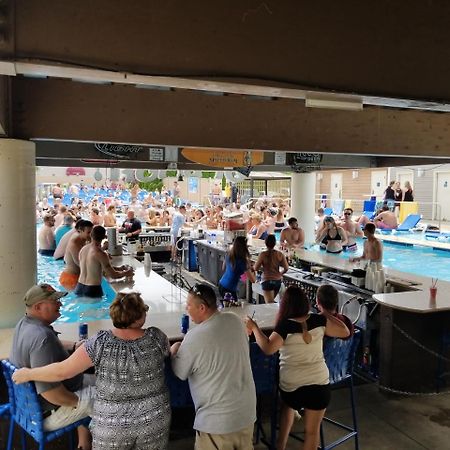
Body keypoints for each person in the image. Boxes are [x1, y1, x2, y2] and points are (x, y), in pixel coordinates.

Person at [13, 291, 171, 450]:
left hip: (112, 428)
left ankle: (84, 442)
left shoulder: (100, 343)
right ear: (140, 317)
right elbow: (168, 355)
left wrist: (28, 373)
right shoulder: (157, 337)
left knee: (91, 388)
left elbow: (63, 371)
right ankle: (83, 441)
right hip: (155, 420)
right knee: (88, 386)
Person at [245, 285, 349, 450]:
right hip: (320, 386)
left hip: (292, 389)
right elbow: (345, 331)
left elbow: (267, 348)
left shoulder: (285, 326)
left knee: (288, 404)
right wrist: (325, 313)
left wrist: (254, 328)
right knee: (312, 433)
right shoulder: (319, 320)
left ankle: (280, 445)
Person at [10, 283, 95, 450]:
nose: (60, 304)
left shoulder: (25, 324)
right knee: (112, 396)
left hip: (26, 407)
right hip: (49, 411)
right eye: (55, 301)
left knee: (96, 381)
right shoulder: (42, 338)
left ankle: (83, 443)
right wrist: (81, 402)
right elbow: (52, 394)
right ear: (39, 306)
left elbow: (47, 345)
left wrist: (74, 345)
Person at [170, 284, 256, 450]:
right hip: (246, 414)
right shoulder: (235, 321)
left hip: (216, 423)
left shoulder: (194, 337)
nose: (186, 308)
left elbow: (180, 372)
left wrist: (174, 350)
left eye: (189, 305)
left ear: (202, 308)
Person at [74, 225, 134, 298]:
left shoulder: (83, 249)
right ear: (104, 237)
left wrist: (119, 268)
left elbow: (93, 267)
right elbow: (113, 275)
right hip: (92, 289)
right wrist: (127, 273)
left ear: (91, 235)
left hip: (79, 287)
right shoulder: (101, 254)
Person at [218, 236, 256, 301]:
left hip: (221, 284)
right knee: (234, 309)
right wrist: (253, 270)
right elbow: (253, 280)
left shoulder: (229, 254)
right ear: (244, 247)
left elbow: (223, 268)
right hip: (229, 289)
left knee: (229, 307)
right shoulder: (242, 262)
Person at [59, 219, 93, 291]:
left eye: (92, 232)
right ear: (80, 231)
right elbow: (80, 264)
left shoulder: (83, 238)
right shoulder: (74, 243)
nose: (91, 235)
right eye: (88, 232)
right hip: (70, 279)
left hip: (76, 276)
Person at [254, 234, 289, 303]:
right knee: (271, 302)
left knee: (269, 304)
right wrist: (280, 273)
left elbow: (256, 268)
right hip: (277, 281)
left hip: (267, 281)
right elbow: (286, 268)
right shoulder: (280, 254)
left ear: (265, 243)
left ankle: (278, 313)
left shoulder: (263, 254)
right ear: (275, 243)